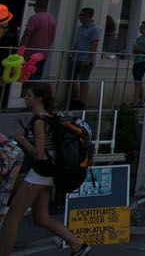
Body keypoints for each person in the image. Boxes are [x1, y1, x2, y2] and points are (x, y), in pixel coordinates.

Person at [0, 83, 89, 255]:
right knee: (41, 218)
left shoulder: (39, 121)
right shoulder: (49, 117)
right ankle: (78, 245)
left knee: (11, 219)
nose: (26, 99)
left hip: (39, 173)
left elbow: (39, 153)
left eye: (29, 95)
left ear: (38, 98)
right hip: (49, 172)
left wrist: (22, 139)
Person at [68, 8, 100, 108]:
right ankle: (76, 99)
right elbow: (77, 41)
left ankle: (82, 102)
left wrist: (88, 59)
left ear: (87, 16)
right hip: (77, 57)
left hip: (86, 59)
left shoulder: (95, 28)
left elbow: (94, 44)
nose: (80, 17)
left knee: (83, 80)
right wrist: (73, 53)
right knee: (72, 79)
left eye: (81, 15)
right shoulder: (80, 28)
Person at [17, 0, 54, 84]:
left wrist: (21, 49)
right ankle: (34, 95)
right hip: (43, 54)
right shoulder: (52, 19)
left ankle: (25, 95)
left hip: (31, 54)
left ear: (38, 6)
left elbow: (27, 34)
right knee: (37, 76)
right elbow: (52, 37)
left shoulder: (34, 18)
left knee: (26, 76)